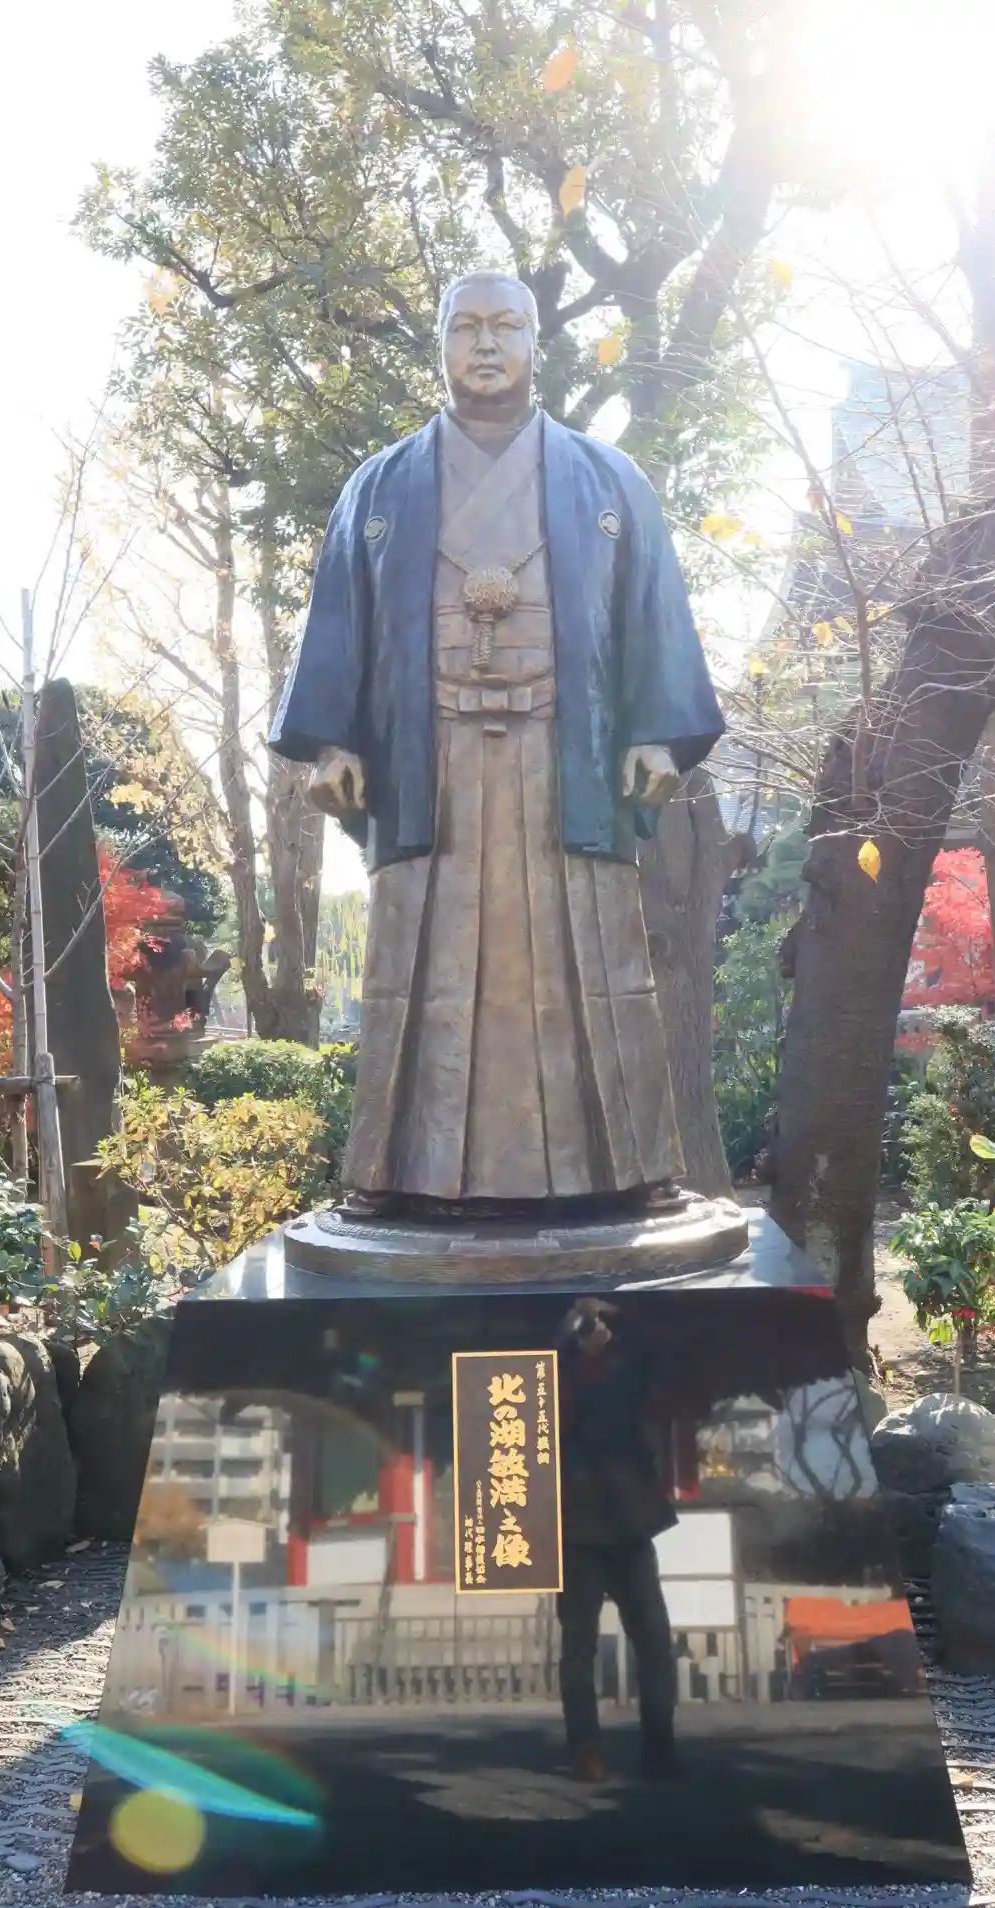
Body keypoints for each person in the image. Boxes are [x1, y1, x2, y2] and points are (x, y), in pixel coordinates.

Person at [269, 270, 724, 1212]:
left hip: (569, 756)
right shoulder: (380, 485)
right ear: (440, 344)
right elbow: (341, 620)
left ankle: (624, 1174)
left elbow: (653, 610)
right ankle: (400, 1178)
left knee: (591, 954)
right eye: (465, 326)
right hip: (426, 761)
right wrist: (333, 743)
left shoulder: (608, 479)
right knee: (419, 958)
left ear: (534, 343)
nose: (485, 344)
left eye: (506, 326)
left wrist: (656, 733)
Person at [555, 1297, 679, 1782]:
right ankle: (585, 1748)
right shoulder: (555, 1372)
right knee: (578, 1646)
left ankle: (660, 1747)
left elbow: (652, 1361)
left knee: (654, 1640)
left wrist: (617, 1317)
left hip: (628, 1523)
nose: (596, 1328)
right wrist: (575, 1343)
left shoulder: (629, 1368)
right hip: (575, 1527)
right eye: (589, 1322)